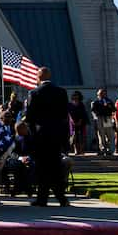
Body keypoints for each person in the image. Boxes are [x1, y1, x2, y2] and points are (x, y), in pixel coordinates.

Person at [24, 66, 70, 207]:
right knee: (56, 166)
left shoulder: (34, 93)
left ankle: (42, 198)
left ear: (39, 77)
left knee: (42, 167)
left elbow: (30, 117)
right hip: (56, 134)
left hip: (41, 135)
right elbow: (64, 116)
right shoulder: (61, 92)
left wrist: (32, 135)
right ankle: (61, 198)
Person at [90, 88, 115, 156]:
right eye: (100, 93)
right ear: (98, 94)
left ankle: (110, 150)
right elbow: (93, 111)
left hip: (107, 118)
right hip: (100, 119)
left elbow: (113, 109)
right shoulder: (95, 102)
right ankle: (103, 149)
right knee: (101, 135)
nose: (102, 95)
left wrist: (109, 106)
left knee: (109, 135)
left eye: (103, 93)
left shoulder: (109, 101)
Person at [67, 91, 88, 155]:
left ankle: (82, 150)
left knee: (81, 137)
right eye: (74, 95)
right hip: (72, 123)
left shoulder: (81, 104)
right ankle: (76, 150)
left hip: (81, 122)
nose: (75, 97)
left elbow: (83, 113)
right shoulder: (69, 104)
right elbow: (68, 113)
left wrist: (80, 121)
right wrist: (72, 121)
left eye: (77, 95)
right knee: (74, 137)